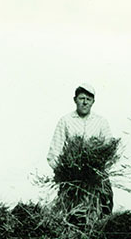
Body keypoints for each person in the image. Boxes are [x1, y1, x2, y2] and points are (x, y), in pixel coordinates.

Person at [47, 83, 114, 218]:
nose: (84, 102)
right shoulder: (65, 121)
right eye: (81, 98)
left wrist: (99, 171)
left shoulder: (101, 122)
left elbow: (109, 150)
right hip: (73, 179)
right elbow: (54, 153)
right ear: (75, 100)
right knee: (73, 216)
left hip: (96, 178)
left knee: (104, 209)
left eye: (88, 99)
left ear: (93, 102)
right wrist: (64, 173)